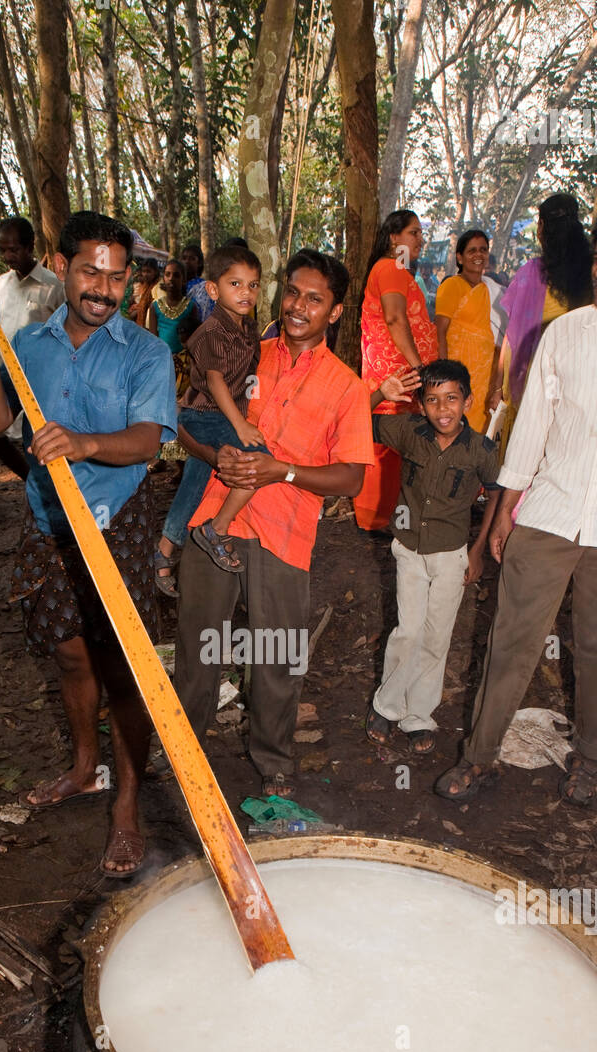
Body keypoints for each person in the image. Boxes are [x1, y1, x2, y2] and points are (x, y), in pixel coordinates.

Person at [435, 209, 597, 807]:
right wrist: (503, 512)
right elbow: (531, 431)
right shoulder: (565, 334)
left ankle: (592, 758)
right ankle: (480, 757)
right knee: (511, 640)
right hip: (550, 511)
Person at [0, 211, 177, 876]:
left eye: (117, 277)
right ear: (63, 267)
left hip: (118, 518)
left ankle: (127, 808)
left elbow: (149, 440)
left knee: (122, 666)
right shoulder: (31, 341)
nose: (104, 289)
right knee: (70, 653)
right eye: (91, 271)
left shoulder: (146, 351)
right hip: (50, 518)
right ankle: (86, 770)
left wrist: (83, 443)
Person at [173, 248, 375, 799]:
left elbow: (353, 479)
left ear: (335, 312)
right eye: (292, 292)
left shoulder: (347, 387)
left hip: (285, 532)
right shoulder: (244, 353)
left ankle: (273, 762)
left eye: (315, 298)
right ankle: (181, 754)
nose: (298, 306)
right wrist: (218, 458)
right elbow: (187, 419)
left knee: (277, 655)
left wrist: (282, 470)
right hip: (216, 518)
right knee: (198, 645)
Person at [365, 361, 501, 754]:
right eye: (433, 400)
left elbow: (496, 495)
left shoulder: (481, 450)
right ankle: (385, 707)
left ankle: (418, 715)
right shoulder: (409, 432)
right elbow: (355, 422)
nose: (443, 409)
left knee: (437, 636)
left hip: (452, 554)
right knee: (408, 630)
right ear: (421, 405)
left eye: (452, 399)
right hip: (408, 549)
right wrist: (379, 394)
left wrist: (477, 551)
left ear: (468, 402)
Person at [155, 244, 264, 596]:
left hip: (208, 413)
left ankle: (163, 552)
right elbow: (215, 382)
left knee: (193, 485)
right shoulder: (212, 332)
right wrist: (242, 425)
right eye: (236, 284)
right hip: (209, 415)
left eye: (253, 285)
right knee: (259, 462)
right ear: (214, 290)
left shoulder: (245, 328)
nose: (246, 293)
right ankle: (217, 529)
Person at [486, 194, 592, 459]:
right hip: (576, 383)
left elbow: (511, 337)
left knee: (523, 452)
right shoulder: (594, 275)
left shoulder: (532, 273)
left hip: (530, 382)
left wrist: (497, 387)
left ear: (542, 228)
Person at [354, 210, 438, 531]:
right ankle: (382, 517)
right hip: (396, 378)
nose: (420, 239)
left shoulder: (399, 271)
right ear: (393, 237)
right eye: (413, 233)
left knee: (397, 445)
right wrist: (419, 368)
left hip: (400, 378)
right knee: (390, 444)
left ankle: (389, 516)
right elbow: (395, 319)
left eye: (420, 233)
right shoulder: (390, 268)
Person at [0, 217, 65, 480]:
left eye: (14, 249)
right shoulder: (1, 284)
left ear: (30, 247)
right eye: (3, 249)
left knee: (36, 439)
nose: (8, 256)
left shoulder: (53, 286)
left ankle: (42, 492)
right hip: (5, 372)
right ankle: (28, 477)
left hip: (40, 377)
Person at [435, 230, 496, 432]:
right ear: (459, 257)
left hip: (482, 377)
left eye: (483, 250)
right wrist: (444, 375)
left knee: (476, 433)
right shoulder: (452, 285)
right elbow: (440, 332)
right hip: (458, 373)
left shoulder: (488, 289)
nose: (478, 255)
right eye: (472, 251)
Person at [147, 258, 200, 396]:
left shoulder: (191, 307)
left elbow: (195, 340)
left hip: (184, 365)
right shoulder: (155, 306)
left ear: (183, 280)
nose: (171, 279)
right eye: (168, 274)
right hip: (162, 362)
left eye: (176, 275)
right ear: (163, 278)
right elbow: (153, 340)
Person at [181, 242, 214, 324]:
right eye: (184, 258)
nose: (187, 262)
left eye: (192, 259)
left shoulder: (204, 287)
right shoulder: (175, 285)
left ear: (199, 263)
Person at [125, 262, 159, 328]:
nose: (145, 274)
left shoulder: (157, 287)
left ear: (155, 272)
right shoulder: (146, 285)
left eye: (148, 271)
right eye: (144, 271)